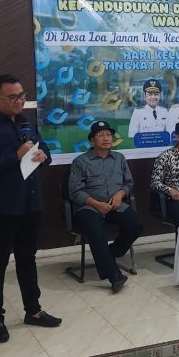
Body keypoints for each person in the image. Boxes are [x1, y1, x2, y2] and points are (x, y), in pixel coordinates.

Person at [0, 74, 62, 344]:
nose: (19, 101)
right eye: (12, 97)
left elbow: (44, 151)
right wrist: (15, 155)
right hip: (1, 207)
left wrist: (43, 156)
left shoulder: (26, 122)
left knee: (27, 258)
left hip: (30, 203)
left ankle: (34, 310)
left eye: (21, 96)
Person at [68, 121, 141, 293]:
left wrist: (120, 194)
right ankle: (114, 276)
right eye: (100, 135)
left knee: (136, 225)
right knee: (96, 231)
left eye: (108, 135)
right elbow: (74, 192)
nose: (106, 138)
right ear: (92, 140)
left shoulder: (119, 158)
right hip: (89, 207)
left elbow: (128, 183)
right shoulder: (81, 161)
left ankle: (109, 253)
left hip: (115, 204)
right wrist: (97, 204)